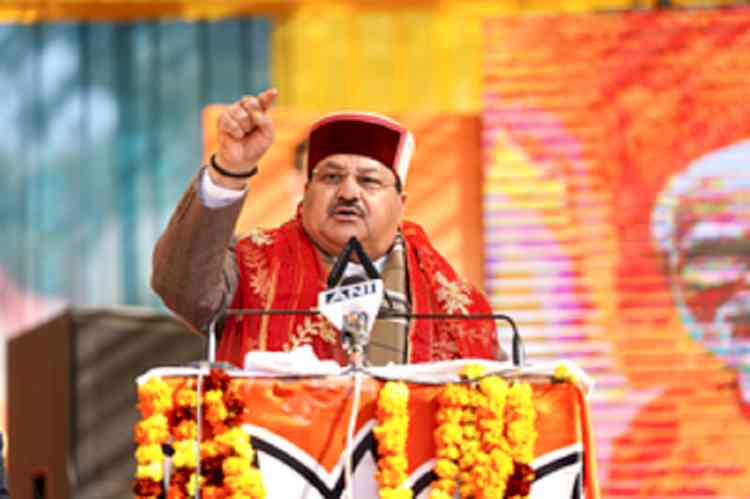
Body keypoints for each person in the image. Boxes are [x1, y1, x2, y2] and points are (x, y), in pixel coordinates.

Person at [152, 88, 503, 368]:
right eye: (331, 177)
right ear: (306, 193)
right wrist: (229, 169)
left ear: (401, 204)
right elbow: (181, 287)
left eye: (369, 181)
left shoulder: (455, 303)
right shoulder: (250, 266)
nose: (348, 192)